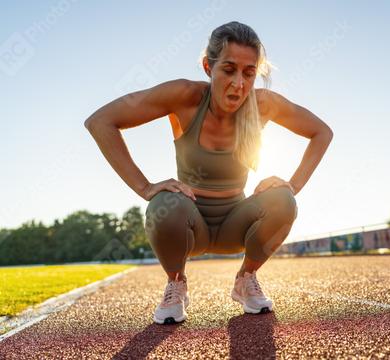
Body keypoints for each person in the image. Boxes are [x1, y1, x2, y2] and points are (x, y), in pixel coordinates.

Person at [84, 21, 333, 324]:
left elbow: (321, 132)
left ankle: (246, 278)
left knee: (283, 200)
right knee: (164, 203)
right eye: (228, 69)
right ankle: (176, 284)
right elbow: (100, 122)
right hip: (190, 223)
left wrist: (293, 184)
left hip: (235, 223)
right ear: (208, 67)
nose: (239, 83)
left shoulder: (263, 104)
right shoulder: (184, 96)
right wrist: (145, 187)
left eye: (249, 73)